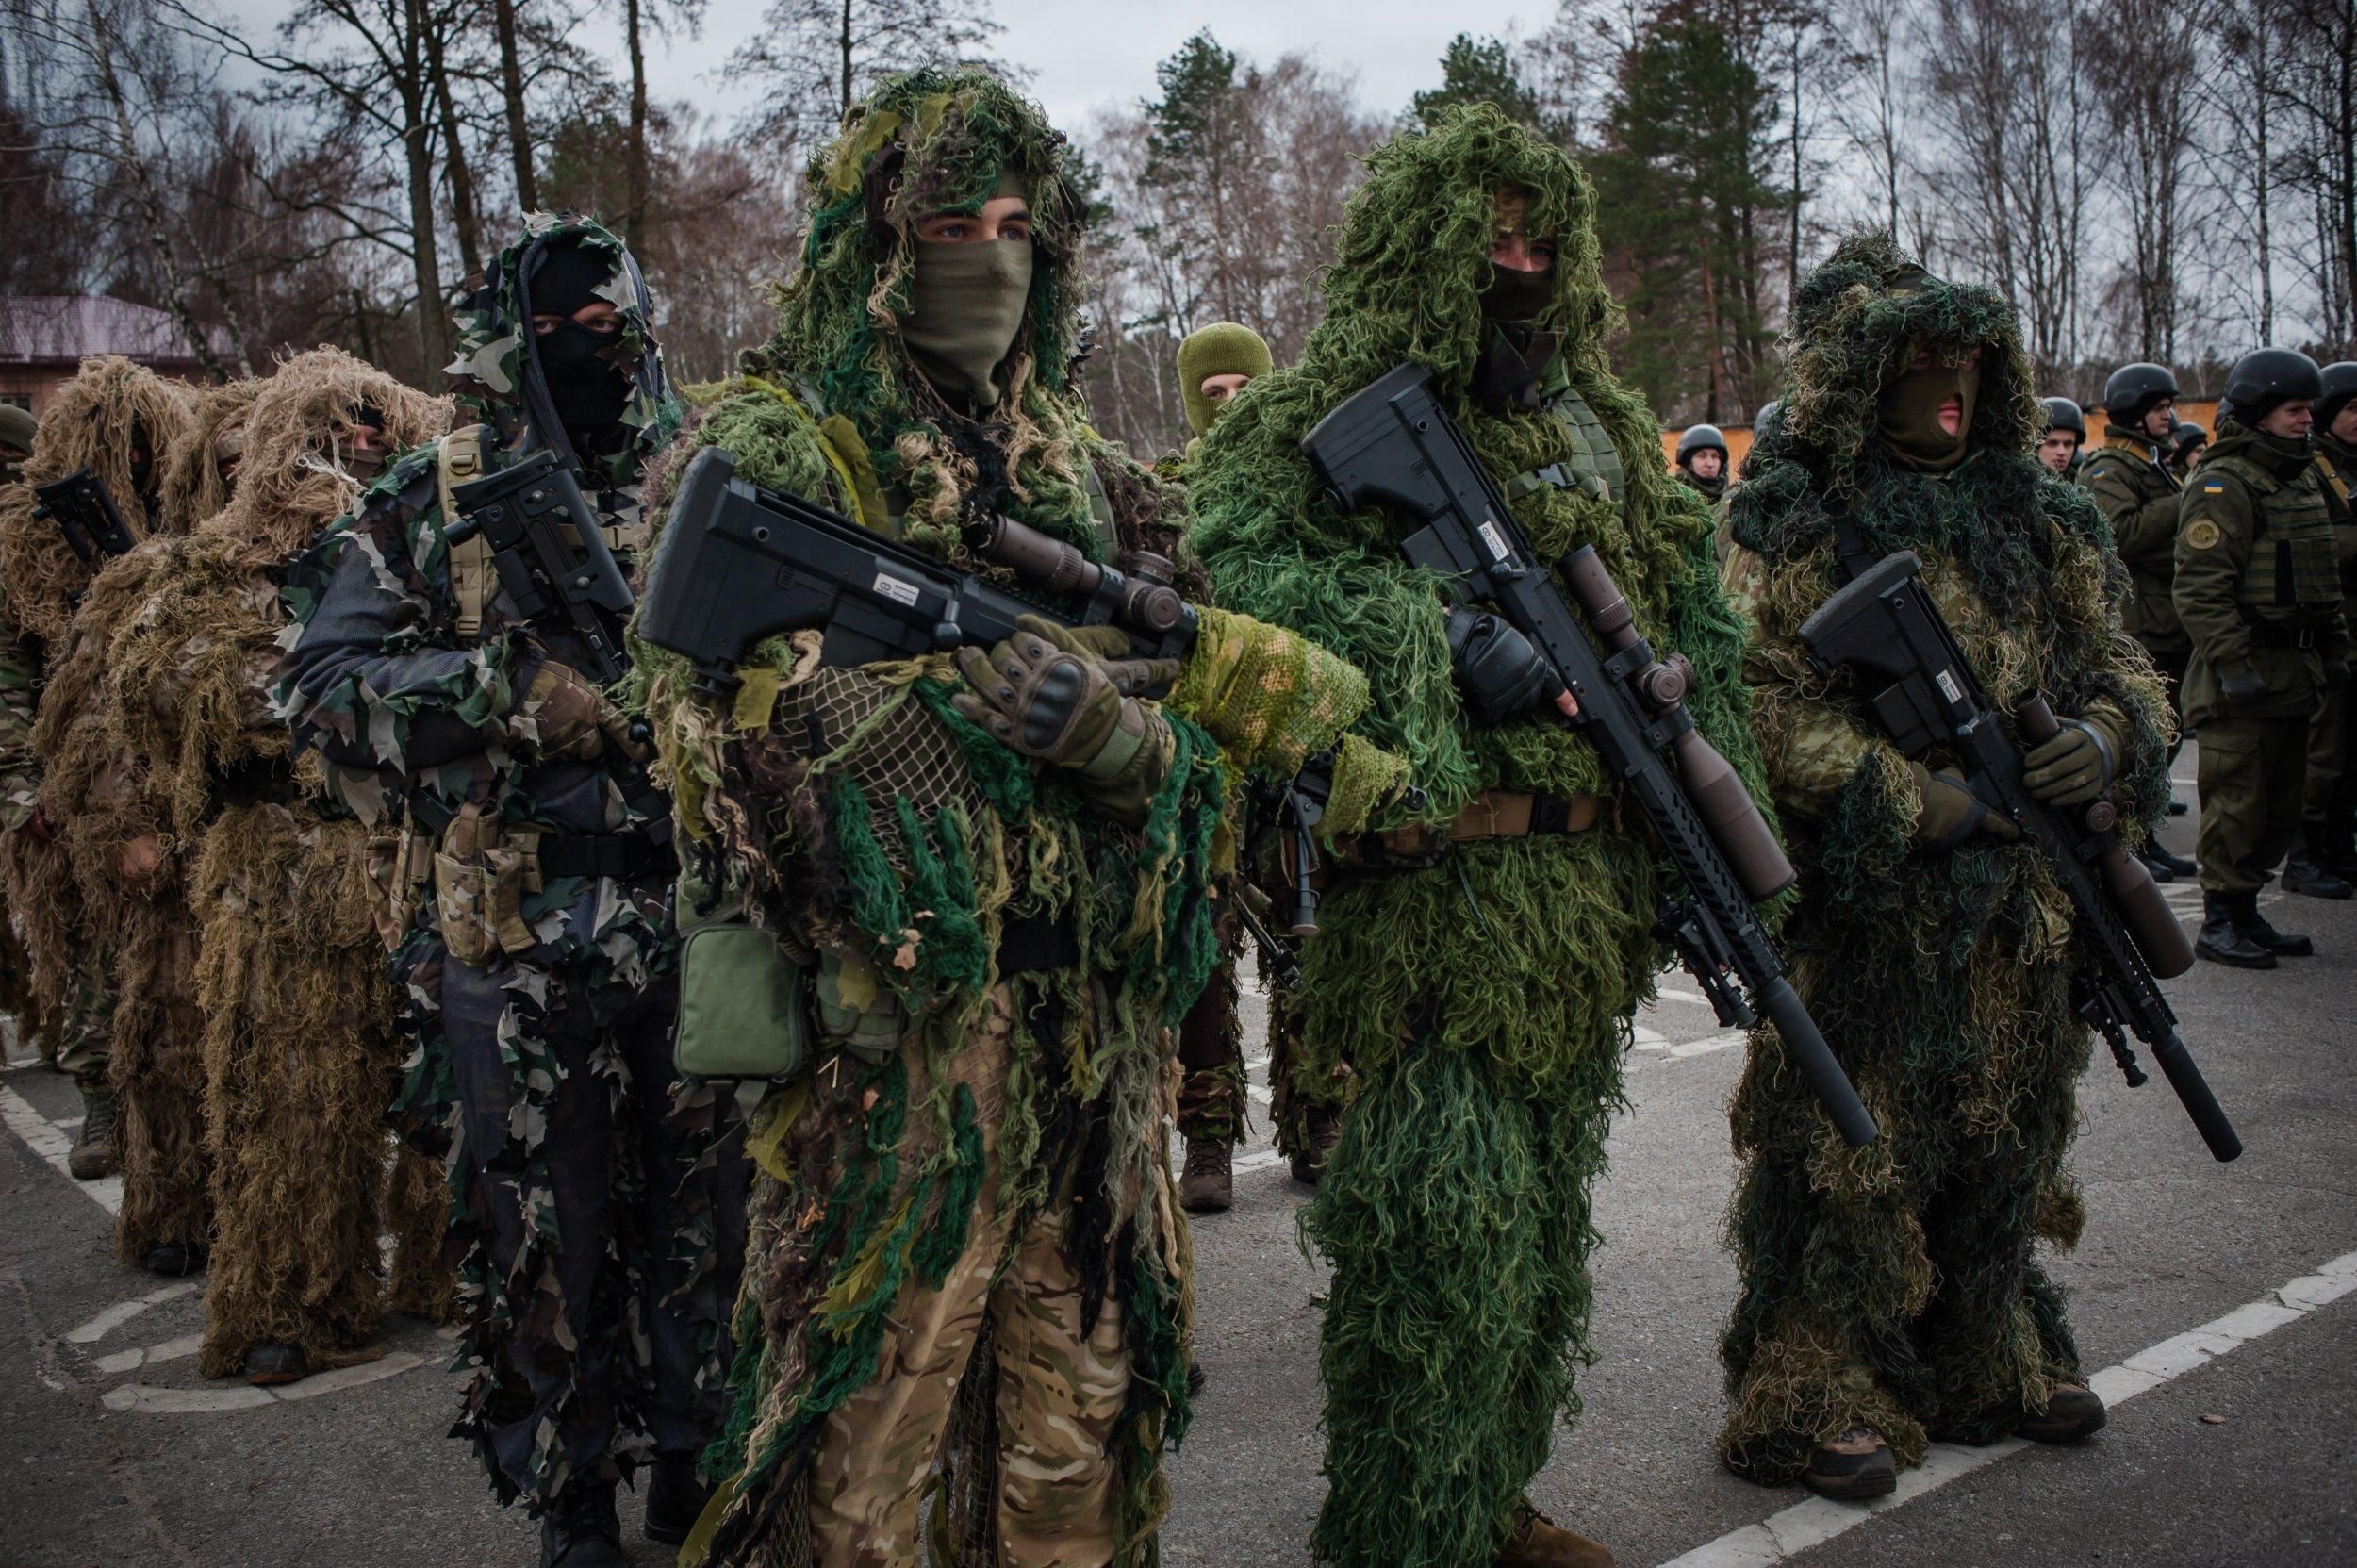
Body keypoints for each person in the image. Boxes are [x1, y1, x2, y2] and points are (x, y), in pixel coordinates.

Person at [630, 69, 1382, 1567]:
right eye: (951, 222)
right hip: (896, 1071)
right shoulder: (782, 461)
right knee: (859, 1476)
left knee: (1077, 1471)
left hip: (1092, 1055)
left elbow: (1235, 772)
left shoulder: (1100, 495)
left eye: (1022, 224)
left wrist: (1120, 745)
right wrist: (933, 739)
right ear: (877, 244)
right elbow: (726, 763)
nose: (991, 256)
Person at [1189, 106, 1769, 1568]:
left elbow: (1692, 602)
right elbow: (1244, 570)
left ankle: (1488, 1500)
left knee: (1535, 1240)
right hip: (1434, 889)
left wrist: (1698, 717)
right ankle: (1403, 1533)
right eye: (1489, 239)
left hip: (1584, 894)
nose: (1517, 264)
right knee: (1433, 1238)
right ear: (1426, 248)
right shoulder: (1317, 410)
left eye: (1538, 239)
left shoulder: (1596, 421)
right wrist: (1436, 632)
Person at [275, 216, 750, 1566]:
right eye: (560, 337)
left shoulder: (701, 480)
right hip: (521, 944)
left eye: (613, 331)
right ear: (507, 342)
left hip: (697, 920)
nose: (593, 359)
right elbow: (312, 689)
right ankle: (573, 1496)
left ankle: (694, 1462)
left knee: (710, 1224)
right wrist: (503, 694)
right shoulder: (433, 498)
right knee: (550, 1238)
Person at [1715, 234, 2171, 1503]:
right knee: (1855, 1156)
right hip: (1877, 905)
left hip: (2028, 905)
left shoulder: (2040, 510)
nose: (1949, 388)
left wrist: (2103, 738)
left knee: (2006, 1138)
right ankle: (1819, 1385)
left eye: (1967, 360)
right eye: (1920, 364)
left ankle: (1988, 1345)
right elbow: (1759, 700)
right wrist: (1917, 797)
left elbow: (2132, 669)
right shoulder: (1792, 516)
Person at [98, 348, 452, 1383]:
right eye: (332, 432)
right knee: (289, 1099)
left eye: (372, 430)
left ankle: (447, 1270)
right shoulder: (198, 572)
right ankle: (291, 1298)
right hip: (282, 870)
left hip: (416, 856)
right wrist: (322, 689)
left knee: (446, 1093)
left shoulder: (424, 550)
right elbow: (168, 690)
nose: (354, 449)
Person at [34, 375, 254, 1277]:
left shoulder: (253, 554)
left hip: (245, 834)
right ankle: (171, 1210)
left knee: (254, 1047)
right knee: (165, 1032)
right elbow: (94, 715)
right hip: (167, 839)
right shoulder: (138, 576)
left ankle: (252, 1218)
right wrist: (126, 823)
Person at [0, 358, 192, 1187]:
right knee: (90, 942)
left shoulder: (188, 523)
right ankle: (102, 1092)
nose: (138, 464)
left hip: (173, 752)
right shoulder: (30, 545)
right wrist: (23, 790)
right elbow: (12, 678)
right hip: (73, 769)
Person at [2173, 349, 2348, 964]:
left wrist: (2334, 651)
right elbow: (2200, 588)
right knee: (2236, 804)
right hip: (2241, 675)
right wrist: (2233, 665)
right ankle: (2221, 921)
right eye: (2294, 410)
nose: (2306, 420)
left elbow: (2321, 581)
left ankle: (2247, 914)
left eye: (2309, 409)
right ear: (2260, 412)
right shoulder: (2224, 485)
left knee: (2279, 805)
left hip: (2291, 673)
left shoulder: (2298, 480)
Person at [1162, 320, 1276, 1213]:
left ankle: (1320, 1115)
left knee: (1313, 932)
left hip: (1292, 743)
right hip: (1206, 759)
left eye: (1246, 389)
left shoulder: (1302, 488)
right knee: (1201, 952)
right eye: (1214, 394)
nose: (1232, 408)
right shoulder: (1166, 497)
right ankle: (1207, 1133)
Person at [2083, 363, 2199, 881]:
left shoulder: (2151, 465)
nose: (2169, 417)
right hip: (2139, 625)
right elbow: (2119, 533)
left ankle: (2144, 834)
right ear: (2134, 411)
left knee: (2164, 738)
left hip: (2165, 621)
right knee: (2141, 739)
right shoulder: (2112, 468)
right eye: (2159, 408)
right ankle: (2132, 838)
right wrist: (2184, 501)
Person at [2292, 361, 2357, 893]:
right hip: (2320, 630)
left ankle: (2338, 846)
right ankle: (2306, 853)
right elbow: (2310, 550)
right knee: (2322, 754)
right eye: (2352, 409)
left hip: (2341, 629)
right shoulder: (2307, 469)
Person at [1677, 422, 1729, 501]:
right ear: (1688, 462)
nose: (1710, 464)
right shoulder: (1673, 497)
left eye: (1715, 456)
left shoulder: (1734, 499)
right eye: (1701, 456)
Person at [2037, 396, 2085, 476]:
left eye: (2068, 444)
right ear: (2036, 446)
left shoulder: (2082, 477)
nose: (2061, 452)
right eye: (2052, 443)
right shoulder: (2017, 482)